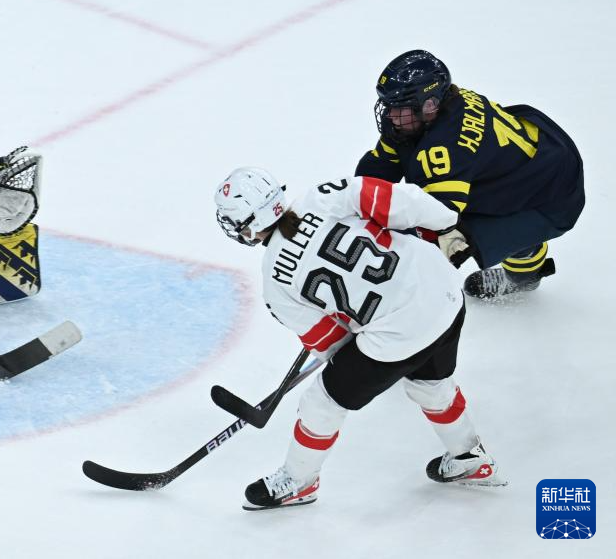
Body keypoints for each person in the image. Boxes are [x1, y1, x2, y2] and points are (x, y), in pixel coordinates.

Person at [214, 167, 505, 511]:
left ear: (247, 225)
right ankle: (468, 457)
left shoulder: (275, 284)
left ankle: (299, 481)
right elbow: (401, 200)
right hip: (444, 291)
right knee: (429, 381)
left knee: (322, 403)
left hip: (400, 335)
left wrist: (361, 338)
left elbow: (331, 343)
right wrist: (446, 224)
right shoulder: (321, 196)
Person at [356, 50, 584, 300]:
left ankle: (526, 270)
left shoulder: (444, 151)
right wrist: (354, 203)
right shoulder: (439, 105)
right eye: (389, 105)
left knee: (471, 233)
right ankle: (522, 240)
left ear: (430, 105)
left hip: (551, 192)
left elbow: (435, 230)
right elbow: (383, 163)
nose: (390, 115)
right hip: (533, 155)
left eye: (399, 108)